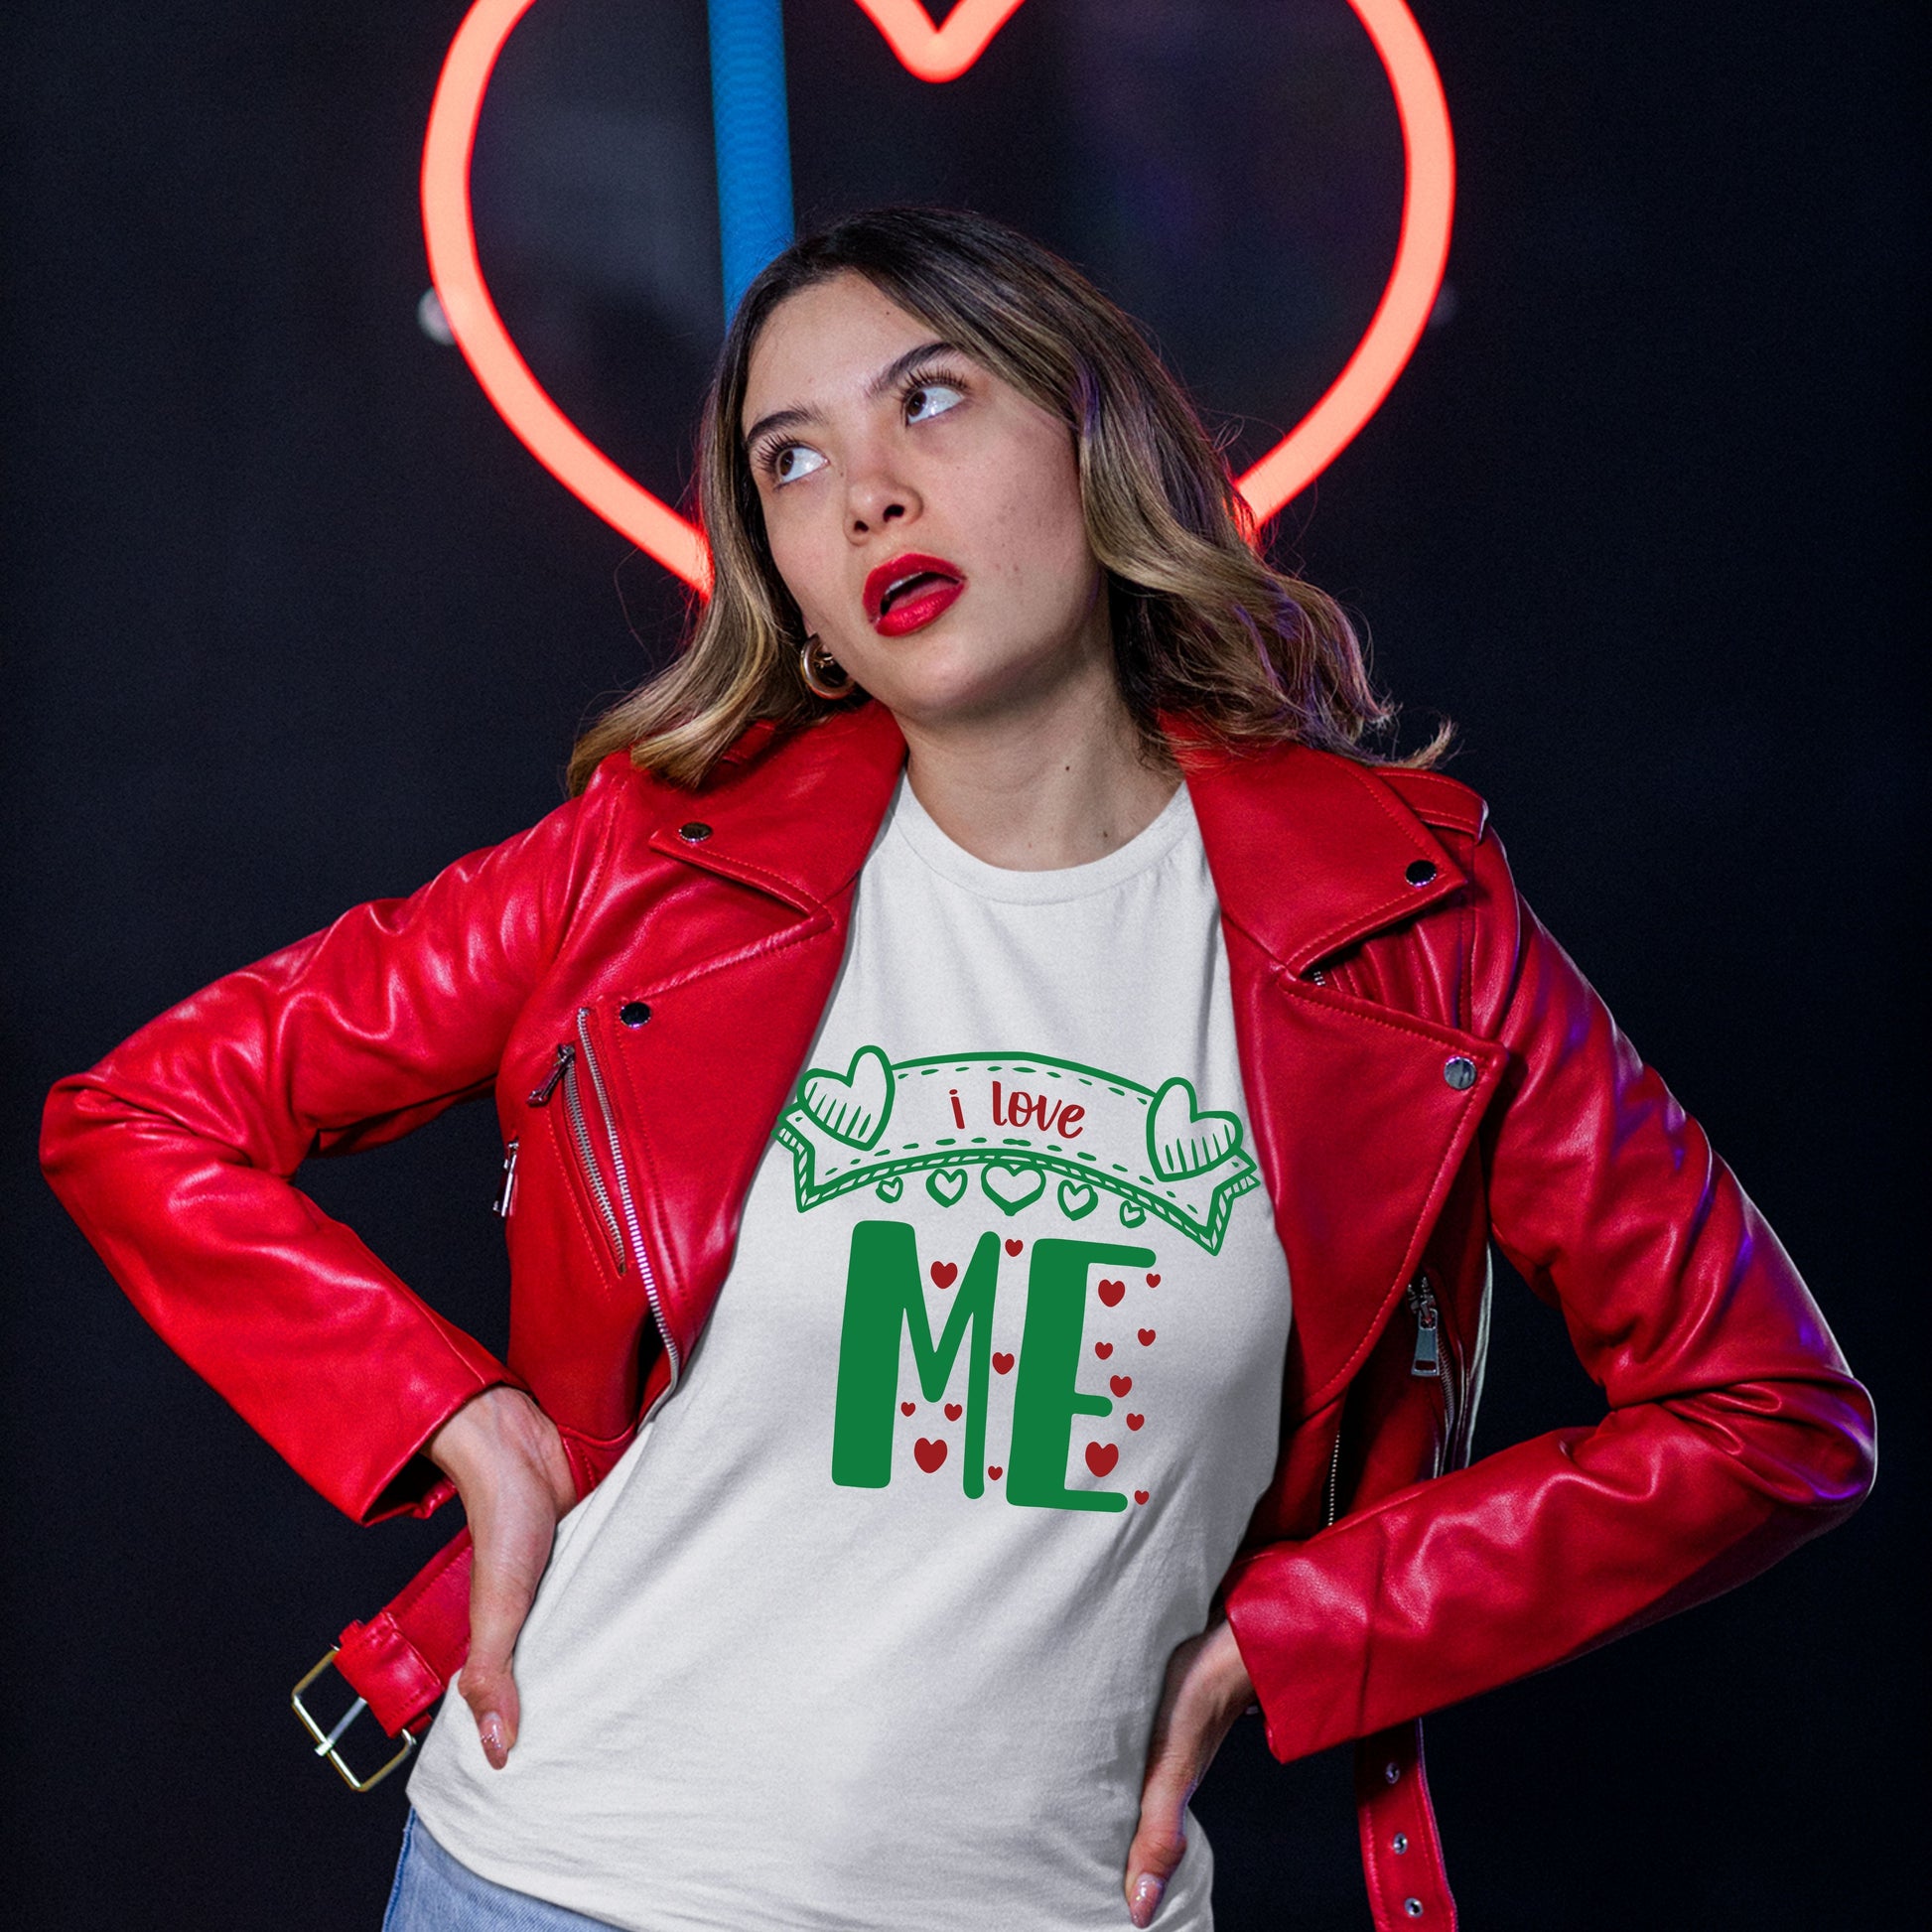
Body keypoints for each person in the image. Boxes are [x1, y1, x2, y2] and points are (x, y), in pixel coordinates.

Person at [39, 206, 1874, 1932]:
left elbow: (1767, 1413)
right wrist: (463, 1420)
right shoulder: (645, 873)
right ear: (784, 578)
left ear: (1095, 440)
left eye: (929, 399)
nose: (867, 493)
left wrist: (1303, 1627)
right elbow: (140, 1114)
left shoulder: (1405, 933)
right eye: (791, 460)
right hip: (560, 1874)